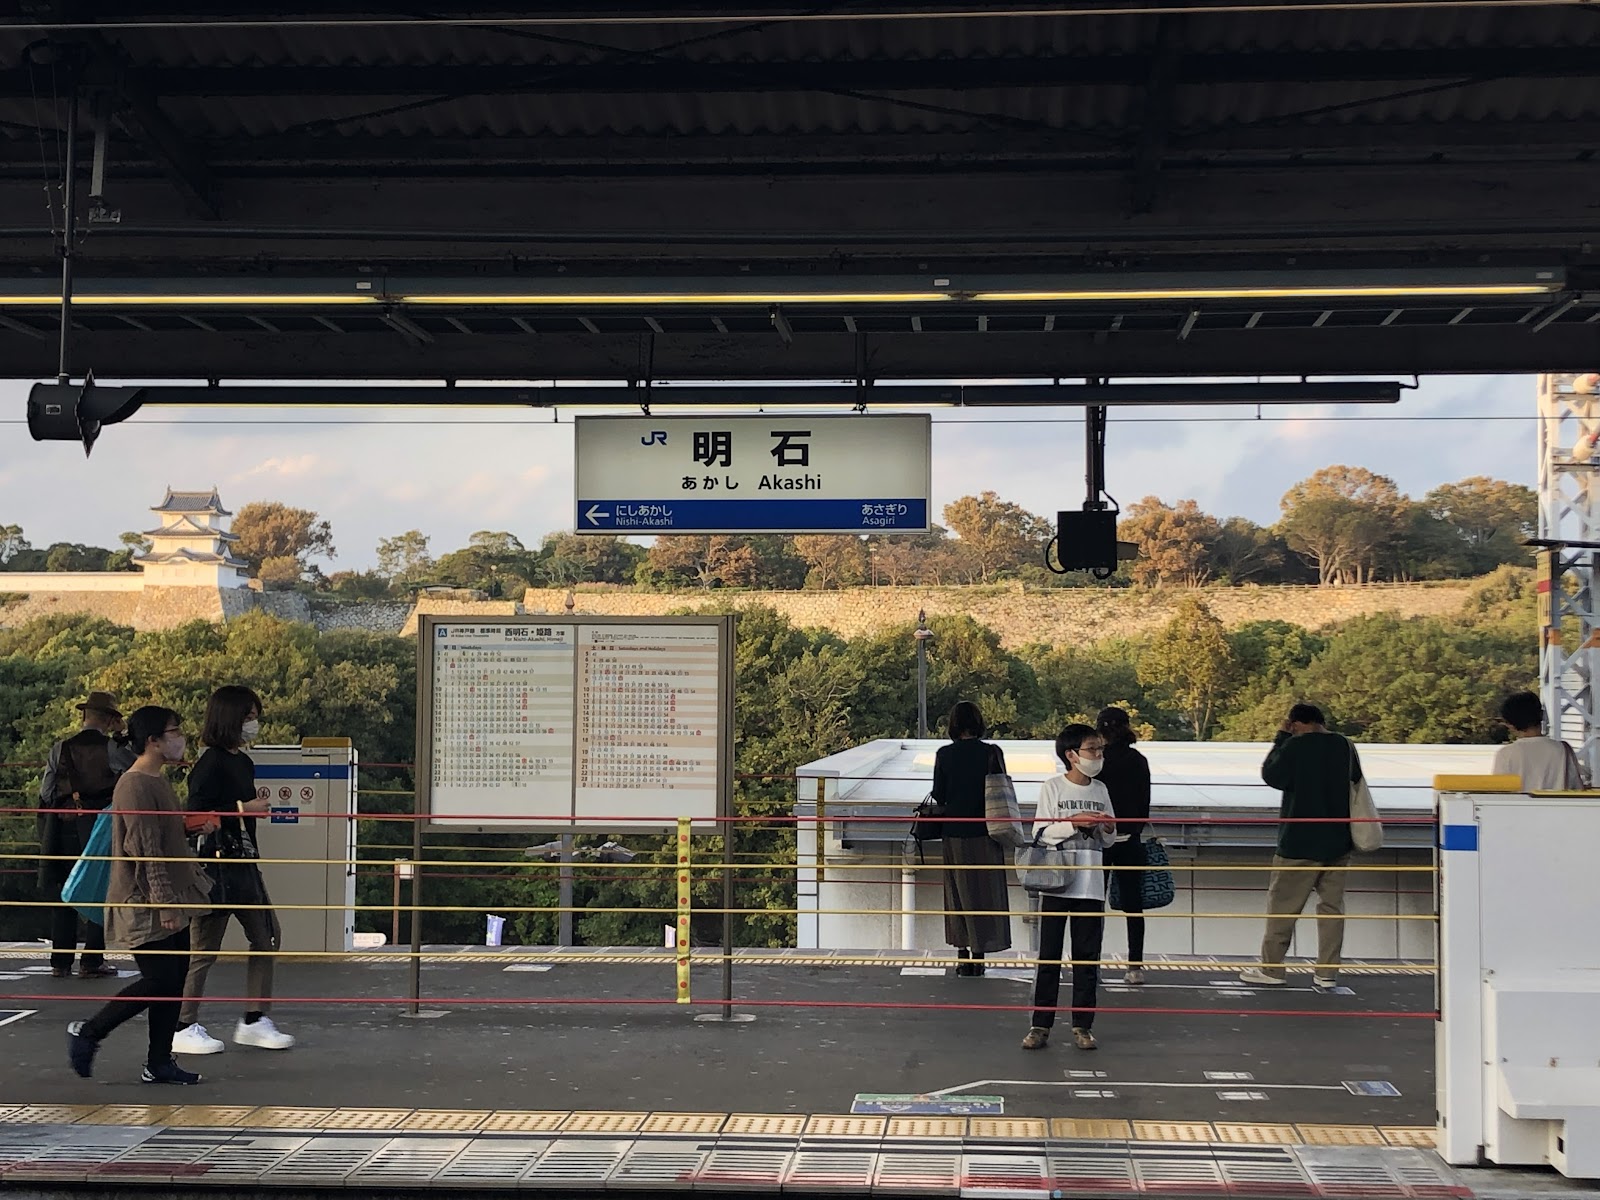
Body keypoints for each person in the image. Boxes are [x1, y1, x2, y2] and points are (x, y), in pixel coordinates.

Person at [66, 706, 216, 1085]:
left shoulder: (157, 781)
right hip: (146, 899)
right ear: (152, 740)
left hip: (169, 894)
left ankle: (159, 1061)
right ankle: (90, 1032)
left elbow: (161, 836)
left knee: (173, 979)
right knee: (159, 979)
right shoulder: (135, 784)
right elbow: (143, 847)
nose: (180, 737)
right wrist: (164, 902)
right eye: (174, 731)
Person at [172, 685, 295, 1055]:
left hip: (242, 861)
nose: (254, 724)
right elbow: (192, 814)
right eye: (249, 717)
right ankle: (183, 1023)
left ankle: (255, 1018)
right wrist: (243, 809)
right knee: (204, 948)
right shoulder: (209, 763)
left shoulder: (242, 761)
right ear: (231, 719)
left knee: (267, 935)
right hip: (214, 865)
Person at [1241, 702, 1360, 990]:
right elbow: (1355, 780)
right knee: (1332, 908)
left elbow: (1272, 775)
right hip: (1338, 841)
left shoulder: (1296, 746)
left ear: (1295, 723)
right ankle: (1327, 973)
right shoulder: (1344, 745)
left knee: (1283, 906)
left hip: (1299, 841)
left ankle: (1272, 968)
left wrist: (1281, 739)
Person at [1022, 723, 1116, 1052]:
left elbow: (1110, 838)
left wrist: (1105, 826)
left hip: (1091, 884)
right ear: (1071, 755)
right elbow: (1041, 833)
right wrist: (1074, 822)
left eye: (1100, 749)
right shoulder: (1052, 788)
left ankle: (1083, 1025)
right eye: (1093, 749)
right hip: (1057, 883)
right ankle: (1040, 1024)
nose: (1098, 755)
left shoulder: (1101, 789)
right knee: (1049, 956)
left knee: (1087, 958)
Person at [37, 690, 136, 979]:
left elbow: (46, 790)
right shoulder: (113, 749)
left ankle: (60, 961)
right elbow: (135, 772)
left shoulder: (61, 748)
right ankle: (92, 960)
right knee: (99, 887)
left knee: (64, 891)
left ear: (84, 715)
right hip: (101, 826)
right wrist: (123, 735)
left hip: (66, 824)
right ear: (108, 720)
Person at [930, 701, 1013, 976]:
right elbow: (1002, 787)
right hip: (987, 831)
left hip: (954, 832)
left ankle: (962, 955)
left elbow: (939, 795)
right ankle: (980, 953)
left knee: (957, 893)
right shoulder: (992, 752)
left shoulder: (944, 754)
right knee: (985, 892)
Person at [1096, 707, 1152, 986]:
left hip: (1099, 840)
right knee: (1134, 905)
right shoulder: (1138, 760)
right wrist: (1133, 829)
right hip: (1131, 840)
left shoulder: (1097, 762)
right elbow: (1144, 805)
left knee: (1093, 903)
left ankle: (1090, 962)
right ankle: (1134, 966)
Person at [1492, 691, 1585, 790]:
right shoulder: (1563, 749)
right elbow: (1577, 788)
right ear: (1541, 715)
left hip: (1520, 805)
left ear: (1510, 724)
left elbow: (1499, 792)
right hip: (1557, 805)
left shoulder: (1506, 754)